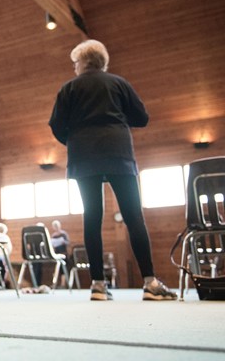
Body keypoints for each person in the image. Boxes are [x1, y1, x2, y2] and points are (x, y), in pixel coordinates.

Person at [49, 39, 176, 301]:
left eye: (75, 63)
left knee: (92, 217)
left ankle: (97, 285)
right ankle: (150, 283)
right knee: (133, 216)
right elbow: (141, 117)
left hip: (84, 157)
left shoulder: (68, 89)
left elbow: (56, 125)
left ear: (84, 63)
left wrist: (73, 141)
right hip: (118, 153)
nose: (74, 68)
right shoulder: (118, 83)